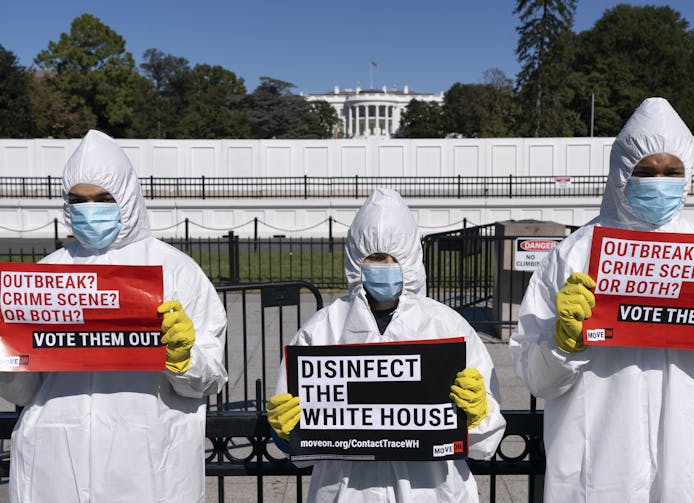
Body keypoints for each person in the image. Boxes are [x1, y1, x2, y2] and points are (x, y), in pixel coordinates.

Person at [510, 97, 694, 502]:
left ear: (687, 175)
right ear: (622, 173)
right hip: (597, 473)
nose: (660, 181)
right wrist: (562, 344)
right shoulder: (573, 257)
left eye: (672, 171)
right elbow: (536, 379)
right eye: (647, 171)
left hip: (689, 473)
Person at [0, 129, 228, 502]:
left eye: (103, 198)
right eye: (78, 200)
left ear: (127, 197)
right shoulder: (47, 273)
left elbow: (208, 379)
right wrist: (6, 354)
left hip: (147, 465)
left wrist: (183, 359)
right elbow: (24, 391)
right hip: (55, 463)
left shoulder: (176, 271)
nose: (89, 210)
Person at [266, 188, 506, 503]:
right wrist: (285, 433)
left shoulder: (447, 327)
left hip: (432, 493)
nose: (383, 266)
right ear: (355, 259)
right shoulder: (321, 331)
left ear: (410, 259)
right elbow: (296, 443)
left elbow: (487, 440)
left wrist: (477, 414)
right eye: (373, 258)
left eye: (393, 257)